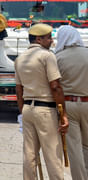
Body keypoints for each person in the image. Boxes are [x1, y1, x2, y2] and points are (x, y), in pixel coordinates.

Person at [14, 23, 69, 180]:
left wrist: (22, 112)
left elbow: (19, 90)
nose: (51, 41)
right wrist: (63, 114)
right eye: (48, 38)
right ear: (39, 39)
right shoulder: (47, 56)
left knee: (29, 155)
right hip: (45, 110)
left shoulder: (20, 59)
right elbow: (55, 86)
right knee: (53, 155)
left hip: (27, 110)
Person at [55, 25, 88, 180]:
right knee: (87, 146)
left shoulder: (58, 58)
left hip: (68, 106)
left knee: (74, 147)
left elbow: (54, 85)